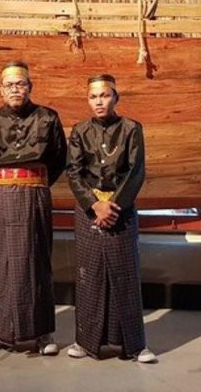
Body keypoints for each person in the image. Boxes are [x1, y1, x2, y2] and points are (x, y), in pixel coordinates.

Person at [0, 61, 67, 355]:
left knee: (38, 260)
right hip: (0, 197)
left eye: (20, 84)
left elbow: (59, 159)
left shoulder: (48, 117)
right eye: (9, 85)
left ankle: (43, 333)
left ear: (30, 87)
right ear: (1, 89)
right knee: (3, 263)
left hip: (35, 196)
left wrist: (36, 182)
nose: (15, 90)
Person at [65, 74, 156, 363]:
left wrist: (113, 206)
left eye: (104, 95)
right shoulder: (80, 131)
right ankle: (85, 341)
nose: (99, 102)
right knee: (89, 274)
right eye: (93, 97)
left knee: (125, 274)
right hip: (89, 210)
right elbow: (74, 172)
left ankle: (134, 345)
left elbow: (136, 171)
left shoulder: (131, 129)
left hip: (121, 209)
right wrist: (94, 205)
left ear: (116, 98)